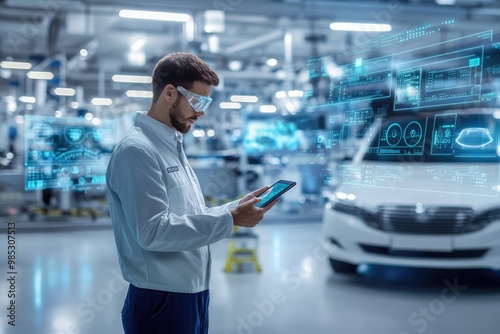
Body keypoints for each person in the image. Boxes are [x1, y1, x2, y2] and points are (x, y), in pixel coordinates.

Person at [105, 52, 278, 334]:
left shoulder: (171, 144)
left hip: (193, 292)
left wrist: (234, 208)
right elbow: (152, 231)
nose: (201, 112)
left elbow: (189, 217)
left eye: (205, 102)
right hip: (160, 297)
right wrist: (231, 220)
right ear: (170, 93)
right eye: (197, 101)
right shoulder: (138, 151)